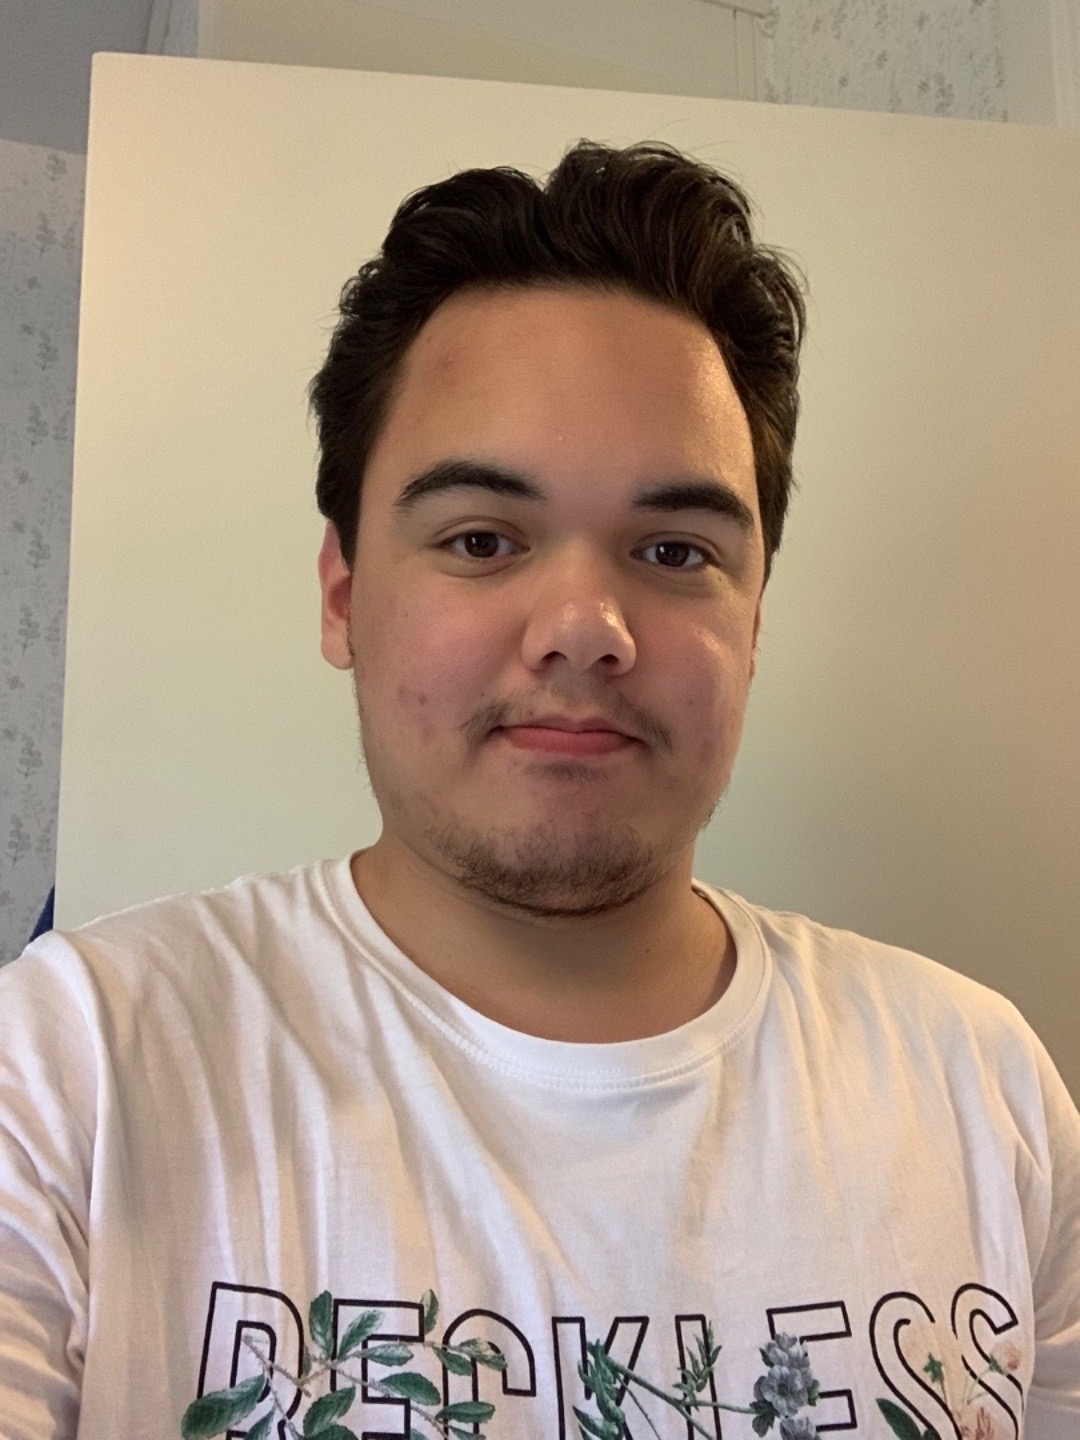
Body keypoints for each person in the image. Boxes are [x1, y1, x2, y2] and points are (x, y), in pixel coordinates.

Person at [0, 140, 1077, 1440]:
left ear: (752, 624)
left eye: (673, 551)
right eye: (482, 539)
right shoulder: (73, 1071)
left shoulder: (982, 1092)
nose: (583, 628)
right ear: (344, 595)